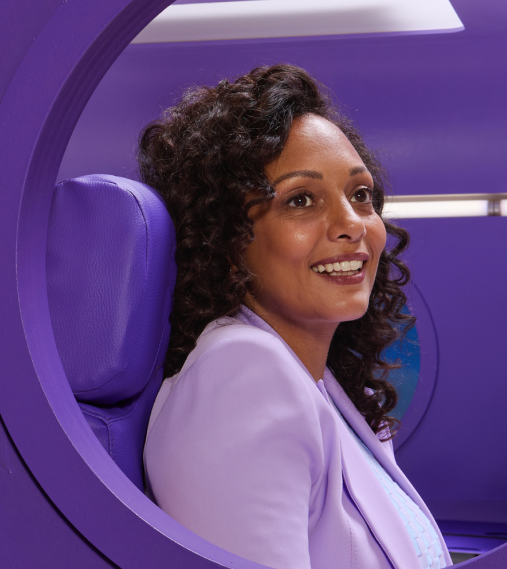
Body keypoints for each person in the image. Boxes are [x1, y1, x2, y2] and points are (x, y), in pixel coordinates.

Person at [139, 64, 450, 569]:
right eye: (301, 200)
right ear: (225, 240)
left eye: (360, 195)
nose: (353, 225)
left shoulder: (324, 385)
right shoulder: (243, 373)